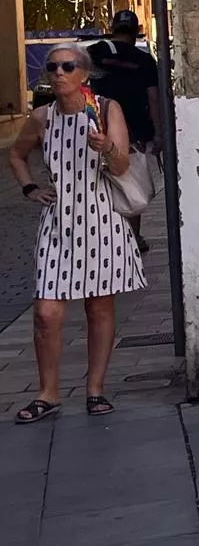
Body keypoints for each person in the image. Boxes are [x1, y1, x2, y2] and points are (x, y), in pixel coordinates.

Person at [10, 43, 147, 422]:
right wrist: (29, 188)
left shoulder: (105, 109)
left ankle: (95, 389)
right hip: (57, 222)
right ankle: (48, 393)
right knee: (46, 311)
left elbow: (120, 168)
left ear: (84, 74)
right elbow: (17, 154)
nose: (58, 72)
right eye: (53, 67)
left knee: (98, 306)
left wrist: (107, 148)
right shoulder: (42, 117)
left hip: (101, 217)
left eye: (68, 66)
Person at [88, 10, 161, 254]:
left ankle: (101, 234)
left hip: (96, 126)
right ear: (136, 30)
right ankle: (133, 236)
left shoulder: (96, 52)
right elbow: (153, 97)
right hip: (134, 131)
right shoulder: (145, 61)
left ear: (113, 27)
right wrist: (158, 133)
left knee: (96, 182)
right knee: (130, 183)